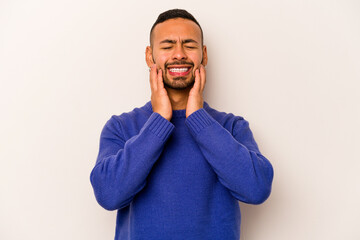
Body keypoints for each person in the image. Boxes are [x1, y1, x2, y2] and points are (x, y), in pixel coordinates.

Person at [90, 9, 274, 240]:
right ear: (150, 56)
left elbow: (256, 189)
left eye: (189, 45)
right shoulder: (121, 127)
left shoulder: (232, 127)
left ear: (203, 54)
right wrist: (159, 120)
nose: (179, 54)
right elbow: (108, 195)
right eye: (167, 46)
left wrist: (197, 117)